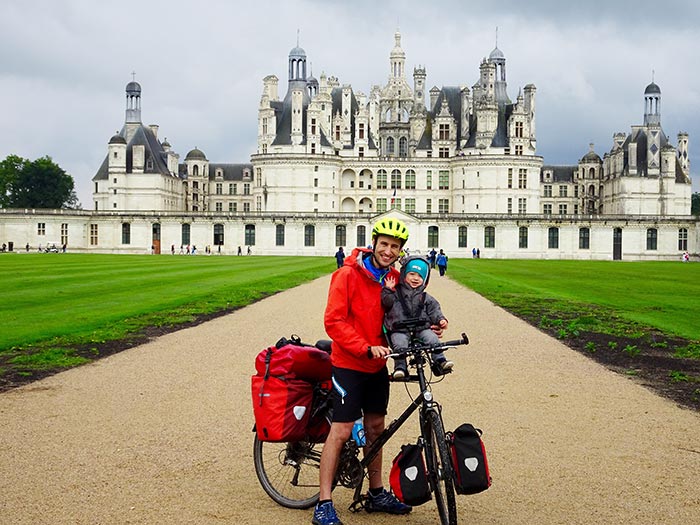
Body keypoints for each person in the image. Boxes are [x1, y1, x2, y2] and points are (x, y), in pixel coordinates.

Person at [317, 218, 413, 525]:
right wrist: (364, 346)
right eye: (383, 244)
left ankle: (375, 493)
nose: (387, 251)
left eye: (394, 246)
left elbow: (405, 314)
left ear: (400, 251)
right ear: (373, 243)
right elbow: (334, 322)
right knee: (342, 431)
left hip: (377, 365)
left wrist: (431, 326)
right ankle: (323, 503)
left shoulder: (394, 279)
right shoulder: (346, 274)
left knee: (376, 428)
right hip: (348, 362)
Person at [382, 256, 453, 379]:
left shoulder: (425, 297)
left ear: (425, 280)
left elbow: (434, 310)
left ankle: (440, 360)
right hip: (400, 329)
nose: (416, 278)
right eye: (412, 274)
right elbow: (386, 303)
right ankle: (400, 367)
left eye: (420, 276)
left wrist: (441, 319)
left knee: (432, 339)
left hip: (421, 328)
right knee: (399, 344)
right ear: (404, 275)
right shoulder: (395, 293)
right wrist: (388, 290)